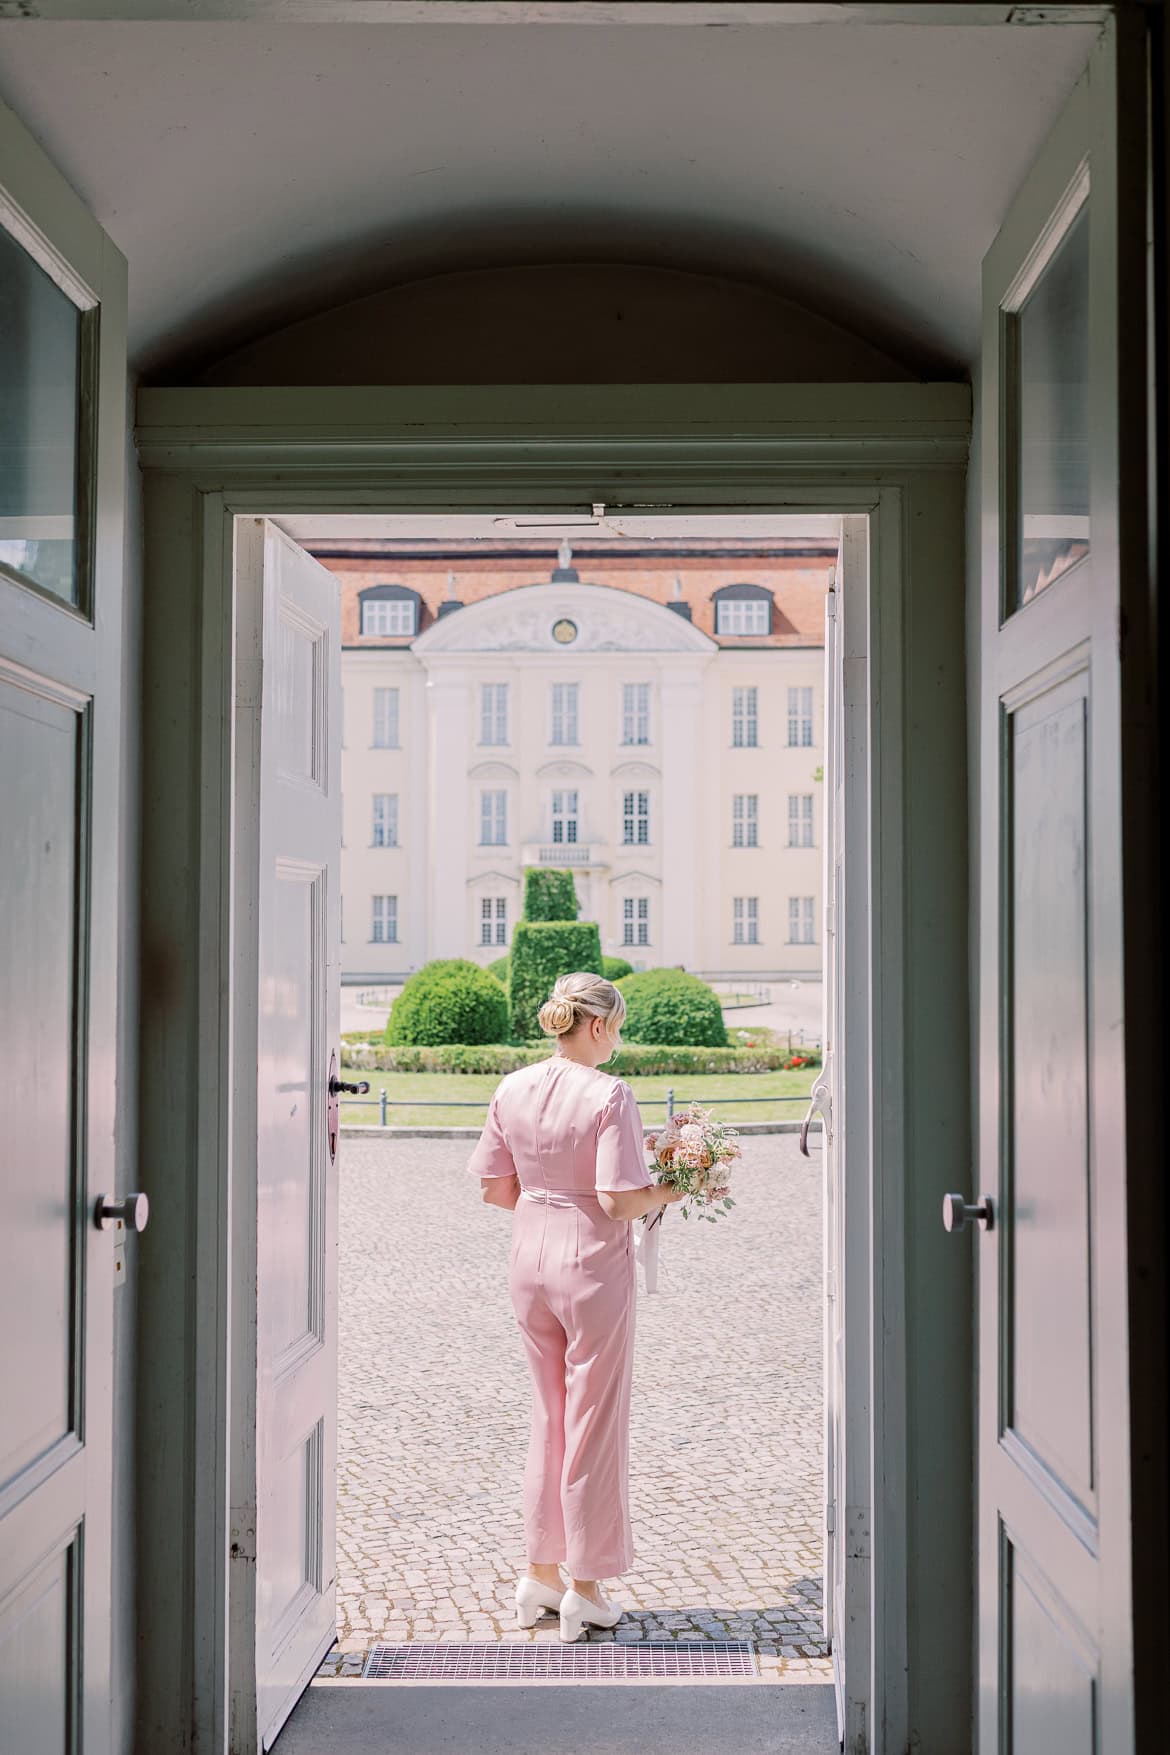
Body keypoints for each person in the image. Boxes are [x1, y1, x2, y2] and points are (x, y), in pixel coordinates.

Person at [467, 970, 682, 1643]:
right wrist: (673, 1189)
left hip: (528, 1261)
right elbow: (620, 1199)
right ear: (598, 1025)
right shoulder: (609, 1094)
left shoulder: (513, 1086)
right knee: (593, 1421)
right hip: (590, 1265)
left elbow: (496, 1191)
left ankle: (539, 1572)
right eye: (615, 1027)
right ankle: (585, 1587)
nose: (616, 1039)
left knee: (548, 1414)